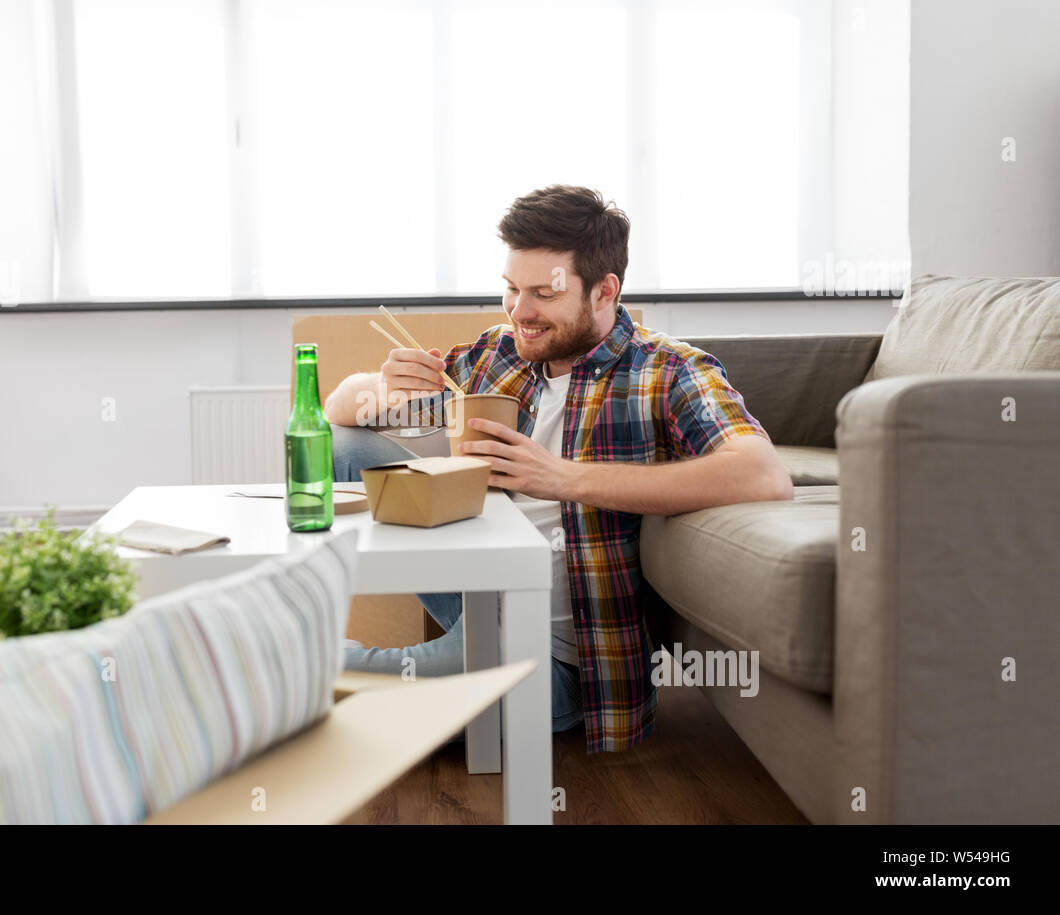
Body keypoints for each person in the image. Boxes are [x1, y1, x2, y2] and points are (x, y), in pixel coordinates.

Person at [323, 185, 793, 752]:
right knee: (342, 446)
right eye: (511, 289)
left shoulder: (666, 371)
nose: (520, 311)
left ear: (604, 291)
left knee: (352, 690)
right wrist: (382, 386)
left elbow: (762, 474)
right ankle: (320, 662)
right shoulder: (499, 355)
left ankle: (279, 662)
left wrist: (562, 477)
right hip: (478, 593)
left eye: (544, 293)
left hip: (564, 660)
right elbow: (341, 411)